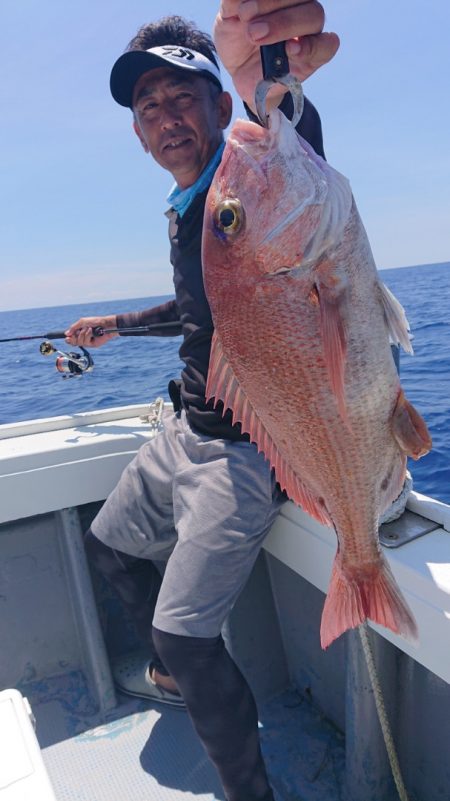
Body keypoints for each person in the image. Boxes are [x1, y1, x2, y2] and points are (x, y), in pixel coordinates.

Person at [66, 4, 339, 800]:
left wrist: (273, 86)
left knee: (184, 637)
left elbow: (292, 145)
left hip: (246, 451)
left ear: (221, 107)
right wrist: (118, 323)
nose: (165, 116)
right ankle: (177, 669)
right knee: (108, 546)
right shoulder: (189, 205)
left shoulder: (244, 181)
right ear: (138, 135)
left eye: (182, 94)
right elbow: (195, 310)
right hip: (185, 425)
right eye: (147, 106)